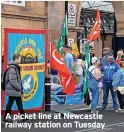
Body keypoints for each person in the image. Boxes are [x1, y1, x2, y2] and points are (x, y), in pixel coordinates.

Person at [3, 54, 26, 122]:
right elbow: (13, 81)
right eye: (20, 59)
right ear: (16, 59)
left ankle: (23, 117)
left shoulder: (14, 67)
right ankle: (6, 118)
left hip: (14, 90)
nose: (20, 60)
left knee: (18, 104)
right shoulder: (13, 69)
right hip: (13, 90)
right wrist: (19, 88)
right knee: (11, 104)